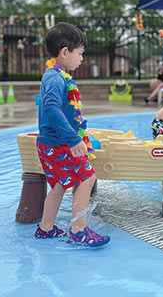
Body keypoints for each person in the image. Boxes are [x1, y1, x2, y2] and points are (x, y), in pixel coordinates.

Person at [34, 22, 110, 247]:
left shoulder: (55, 75)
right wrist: (74, 138)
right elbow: (52, 109)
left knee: (58, 185)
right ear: (65, 52)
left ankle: (46, 228)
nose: (82, 59)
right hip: (58, 143)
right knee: (87, 177)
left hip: (50, 143)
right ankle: (78, 230)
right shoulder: (56, 78)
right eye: (80, 53)